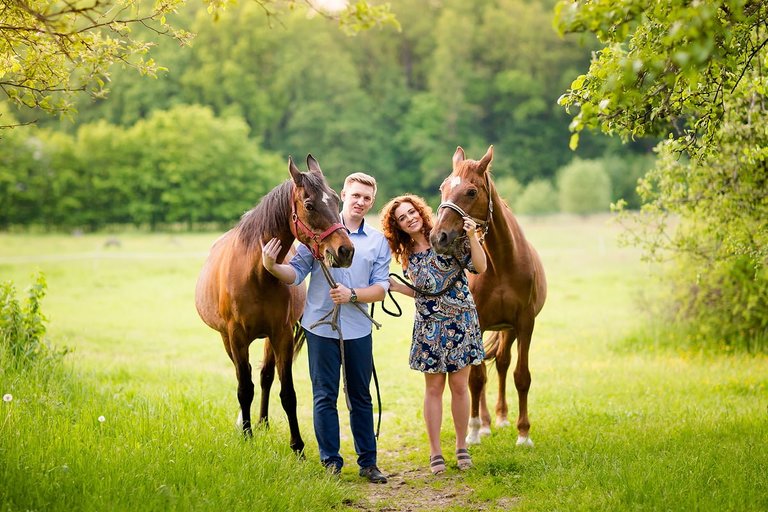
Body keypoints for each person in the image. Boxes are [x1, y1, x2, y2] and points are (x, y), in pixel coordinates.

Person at [262, 172, 391, 484]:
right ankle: (330, 461)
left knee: (360, 395)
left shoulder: (376, 242)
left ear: (371, 202)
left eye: (366, 198)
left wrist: (353, 295)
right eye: (355, 195)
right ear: (343, 195)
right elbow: (295, 273)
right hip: (320, 328)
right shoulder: (319, 231)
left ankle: (368, 462)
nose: (360, 201)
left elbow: (381, 288)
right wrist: (270, 266)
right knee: (324, 395)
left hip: (358, 328)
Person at [379, 194, 487, 475]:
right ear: (398, 226)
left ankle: (462, 447)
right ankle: (435, 451)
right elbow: (423, 291)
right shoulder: (406, 255)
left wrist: (473, 237)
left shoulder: (447, 235)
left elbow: (481, 267)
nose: (409, 218)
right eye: (402, 218)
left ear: (420, 211)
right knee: (434, 389)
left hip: (460, 320)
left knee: (460, 388)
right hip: (430, 326)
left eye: (411, 212)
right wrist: (399, 288)